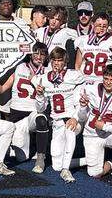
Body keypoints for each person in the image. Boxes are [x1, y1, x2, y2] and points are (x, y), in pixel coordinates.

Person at [77, 64, 112, 192]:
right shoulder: (90, 89)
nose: (108, 82)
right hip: (92, 134)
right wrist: (82, 107)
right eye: (106, 78)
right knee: (94, 174)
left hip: (109, 135)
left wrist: (105, 126)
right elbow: (81, 118)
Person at [34, 48, 86, 182]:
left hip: (73, 119)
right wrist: (39, 95)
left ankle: (66, 170)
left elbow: (81, 100)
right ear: (50, 61)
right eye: (54, 60)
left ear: (65, 62)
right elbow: (41, 108)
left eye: (60, 60)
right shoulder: (44, 79)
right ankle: (89, 161)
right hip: (57, 122)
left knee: (70, 132)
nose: (57, 63)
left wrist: (75, 117)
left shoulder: (74, 76)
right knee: (56, 164)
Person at [0, 43, 50, 170]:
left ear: (46, 56)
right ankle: (28, 146)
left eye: (42, 54)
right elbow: (3, 88)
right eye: (36, 53)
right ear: (30, 53)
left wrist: (35, 79)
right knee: (21, 157)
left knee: (41, 120)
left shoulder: (48, 72)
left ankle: (41, 157)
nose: (39, 56)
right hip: (17, 116)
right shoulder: (20, 67)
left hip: (34, 112)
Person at [74, 13, 112, 84]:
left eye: (104, 26)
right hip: (85, 82)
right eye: (99, 25)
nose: (101, 28)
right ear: (93, 24)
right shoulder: (83, 40)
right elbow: (77, 65)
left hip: (105, 83)